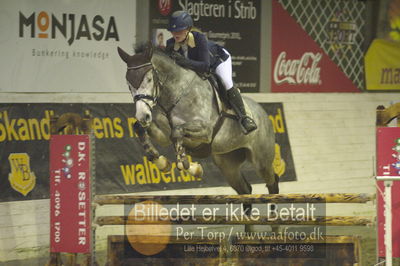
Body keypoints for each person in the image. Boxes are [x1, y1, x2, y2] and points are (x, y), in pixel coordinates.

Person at [166, 10, 257, 135]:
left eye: (179, 30)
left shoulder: (200, 39)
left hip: (218, 61)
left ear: (188, 29)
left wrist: (184, 61)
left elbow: (205, 66)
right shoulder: (170, 44)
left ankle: (244, 118)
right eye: (173, 30)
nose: (175, 33)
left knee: (226, 82)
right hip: (195, 68)